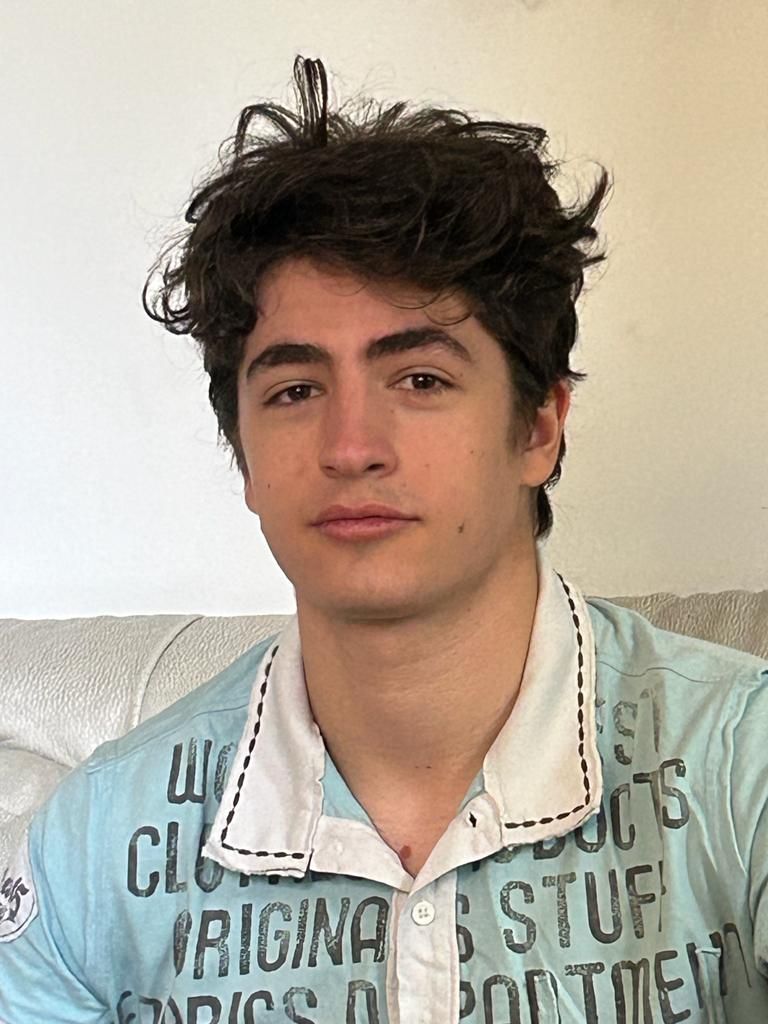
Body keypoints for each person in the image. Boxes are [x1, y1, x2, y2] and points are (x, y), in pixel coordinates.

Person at [1, 54, 766, 1024]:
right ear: (244, 456)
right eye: (294, 390)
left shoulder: (740, 762)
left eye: (421, 380)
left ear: (539, 428)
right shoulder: (96, 847)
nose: (351, 446)